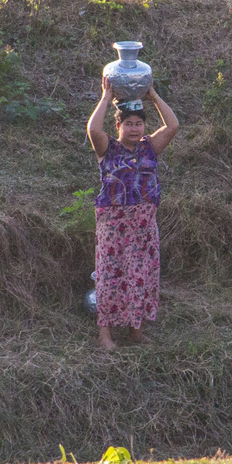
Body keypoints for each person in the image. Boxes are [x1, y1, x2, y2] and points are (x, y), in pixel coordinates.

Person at [87, 77, 180, 349]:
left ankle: (135, 330)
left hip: (143, 222)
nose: (134, 128)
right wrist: (106, 97)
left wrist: (152, 95)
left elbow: (173, 125)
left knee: (141, 275)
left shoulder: (150, 147)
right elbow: (92, 129)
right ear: (118, 126)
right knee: (109, 274)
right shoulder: (108, 148)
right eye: (128, 123)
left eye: (138, 123)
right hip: (114, 223)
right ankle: (105, 335)